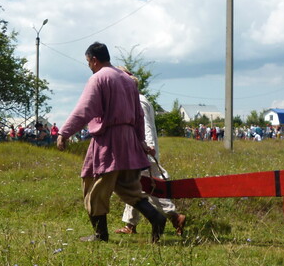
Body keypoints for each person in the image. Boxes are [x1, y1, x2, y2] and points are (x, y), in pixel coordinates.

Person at [56, 42, 166, 242]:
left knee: (93, 185)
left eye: (88, 62)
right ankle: (156, 217)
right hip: (129, 140)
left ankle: (101, 234)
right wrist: (140, 141)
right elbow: (138, 116)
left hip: (109, 141)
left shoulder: (98, 78)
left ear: (94, 60)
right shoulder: (128, 80)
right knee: (129, 188)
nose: (89, 65)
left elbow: (85, 109)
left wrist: (65, 132)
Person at [115, 70, 186, 237]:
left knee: (151, 189)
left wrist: (148, 147)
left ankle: (175, 217)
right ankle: (130, 225)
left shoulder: (138, 101)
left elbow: (145, 126)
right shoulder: (136, 100)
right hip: (140, 152)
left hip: (144, 153)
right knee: (135, 187)